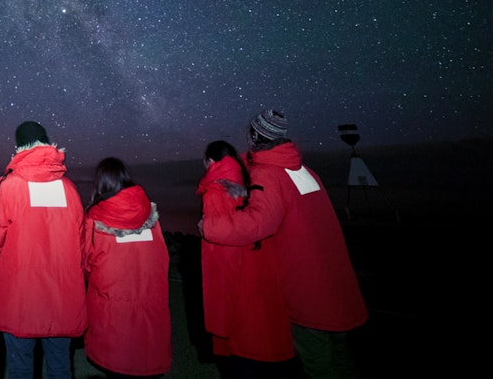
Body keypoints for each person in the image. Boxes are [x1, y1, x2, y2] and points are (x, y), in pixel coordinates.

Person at [201, 110, 368, 378]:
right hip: (336, 284)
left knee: (319, 366)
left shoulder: (268, 175)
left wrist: (209, 227)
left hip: (308, 292)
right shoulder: (303, 170)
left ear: (254, 135)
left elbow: (259, 223)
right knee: (342, 361)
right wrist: (233, 164)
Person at [0, 121, 86, 379]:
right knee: (61, 367)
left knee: (20, 369)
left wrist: (3, 270)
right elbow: (81, 244)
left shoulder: (6, 187)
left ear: (18, 148)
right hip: (62, 295)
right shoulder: (70, 190)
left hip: (20, 293)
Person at [197, 141, 295, 378]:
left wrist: (218, 308)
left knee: (243, 354)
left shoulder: (215, 192)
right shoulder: (250, 182)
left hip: (238, 286)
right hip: (261, 278)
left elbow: (222, 255)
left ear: (210, 162)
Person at [82, 157, 171, 378]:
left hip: (113, 317)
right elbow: (162, 259)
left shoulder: (95, 219)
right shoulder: (151, 217)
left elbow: (86, 264)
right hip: (150, 312)